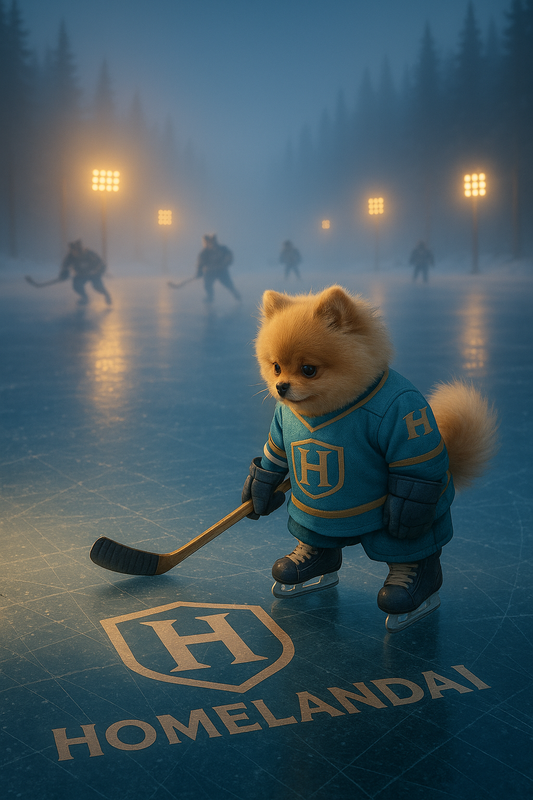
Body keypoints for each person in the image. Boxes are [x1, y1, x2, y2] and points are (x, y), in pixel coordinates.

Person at [59, 240, 112, 305]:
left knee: (97, 287)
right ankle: (84, 297)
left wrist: (100, 270)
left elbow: (101, 263)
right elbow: (65, 266)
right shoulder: (70, 256)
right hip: (81, 275)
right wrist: (64, 273)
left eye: (76, 250)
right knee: (76, 286)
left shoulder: (90, 254)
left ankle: (106, 294)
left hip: (94, 274)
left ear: (80, 249)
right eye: (72, 251)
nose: (74, 253)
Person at [195, 234, 241, 303]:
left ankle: (236, 295)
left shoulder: (222, 249)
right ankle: (209, 297)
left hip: (221, 271)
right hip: (210, 272)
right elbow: (201, 262)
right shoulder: (204, 252)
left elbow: (229, 257)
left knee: (228, 284)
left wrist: (224, 264)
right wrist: (199, 271)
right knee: (207, 285)